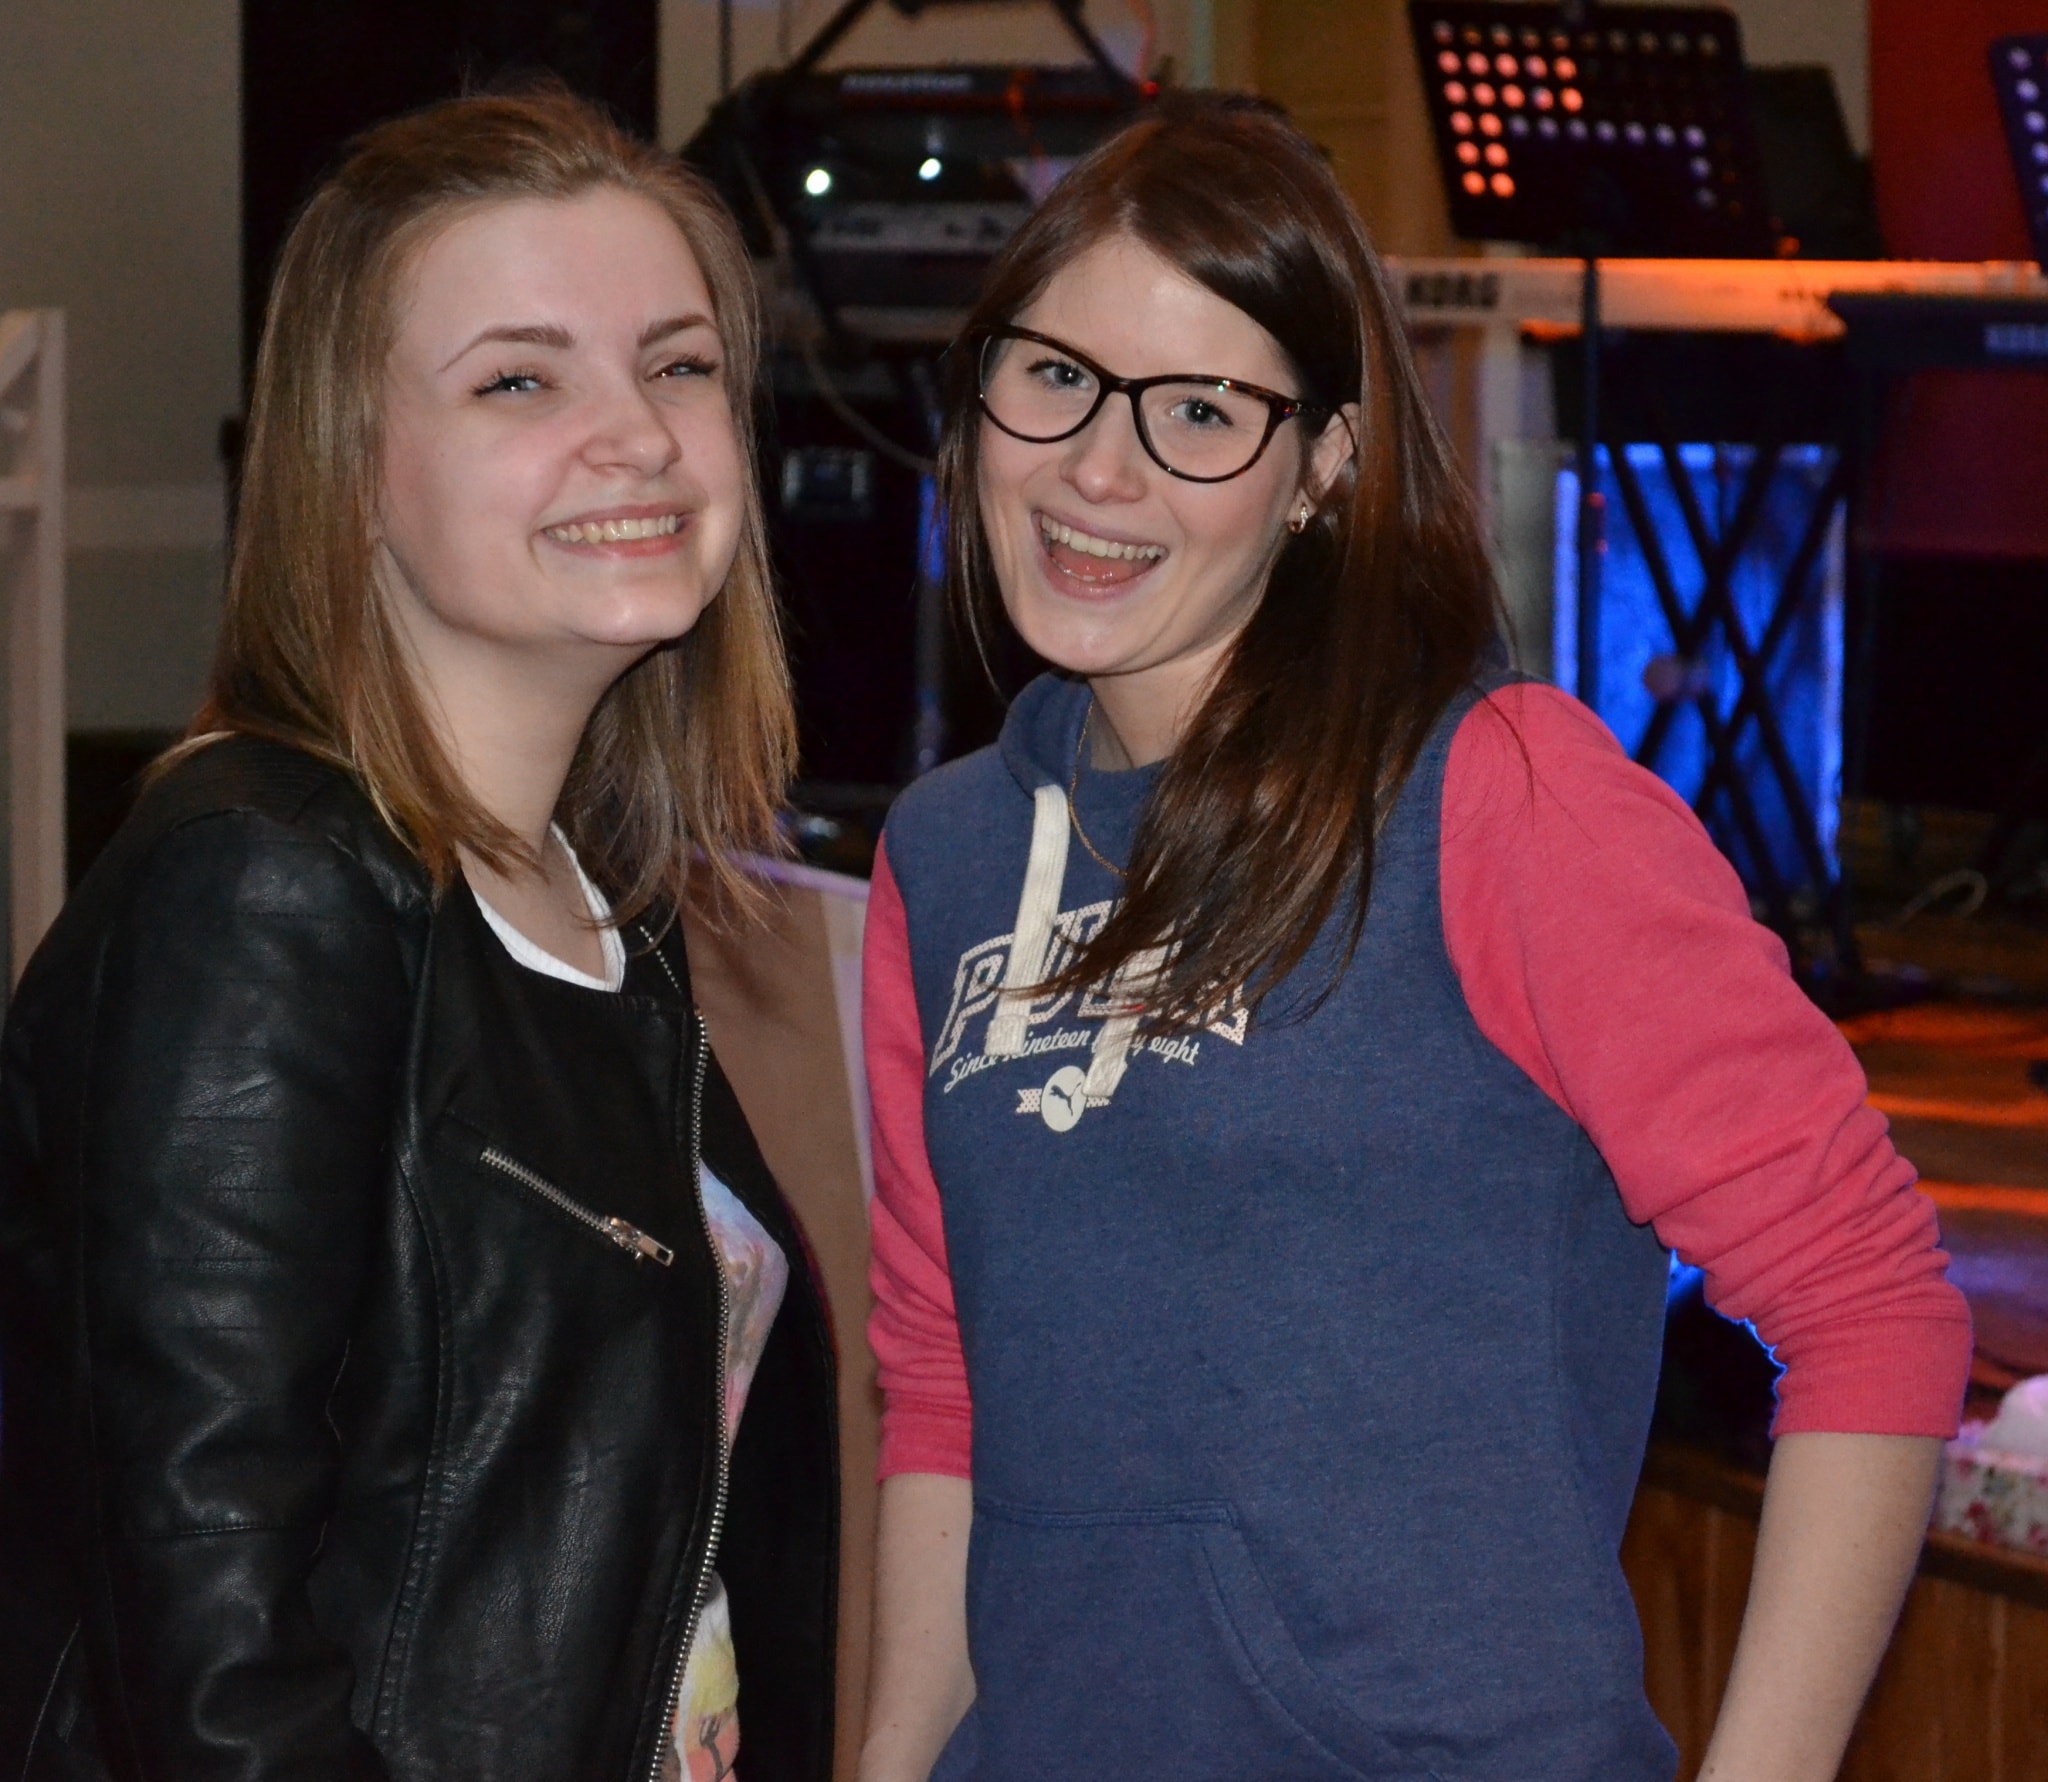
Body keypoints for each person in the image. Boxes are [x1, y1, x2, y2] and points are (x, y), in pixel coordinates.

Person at [857, 96, 1972, 1782]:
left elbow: (1871, 1299)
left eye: (1200, 412)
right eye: (1056, 375)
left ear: (1324, 465)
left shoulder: (1502, 795)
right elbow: (945, 1386)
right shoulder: (943, 853)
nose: (1098, 466)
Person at [0, 90, 837, 1782]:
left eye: (678, 365)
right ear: (351, 467)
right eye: (520, 380)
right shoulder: (259, 890)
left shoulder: (599, 908)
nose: (637, 435)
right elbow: (212, 1655)